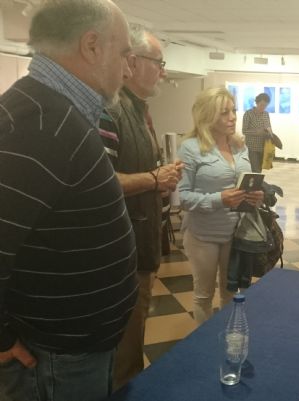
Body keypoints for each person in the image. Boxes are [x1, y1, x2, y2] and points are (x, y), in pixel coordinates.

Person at [0, 1, 138, 400]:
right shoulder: (41, 121)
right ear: (91, 46)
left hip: (71, 349)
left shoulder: (57, 112)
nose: (128, 69)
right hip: (52, 357)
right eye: (124, 54)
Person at [99, 25, 183, 389]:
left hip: (139, 248)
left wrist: (160, 180)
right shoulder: (110, 110)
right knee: (124, 360)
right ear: (131, 62)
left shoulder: (135, 110)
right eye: (158, 63)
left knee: (131, 350)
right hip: (121, 257)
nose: (163, 72)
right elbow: (99, 182)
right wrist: (153, 179)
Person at [177, 87, 263, 325]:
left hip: (236, 233)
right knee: (204, 295)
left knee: (230, 293)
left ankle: (229, 338)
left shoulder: (239, 145)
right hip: (203, 235)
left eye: (233, 110)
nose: (233, 117)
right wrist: (219, 199)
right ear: (207, 116)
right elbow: (182, 197)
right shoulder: (191, 148)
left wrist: (256, 197)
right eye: (225, 113)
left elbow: (246, 183)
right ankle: (204, 341)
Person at [242, 92, 273, 172]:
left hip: (263, 147)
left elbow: (268, 126)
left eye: (265, 105)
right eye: (261, 105)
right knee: (255, 171)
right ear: (257, 103)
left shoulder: (266, 114)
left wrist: (269, 131)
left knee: (259, 170)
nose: (263, 107)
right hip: (252, 148)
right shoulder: (248, 114)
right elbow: (244, 130)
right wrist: (257, 132)